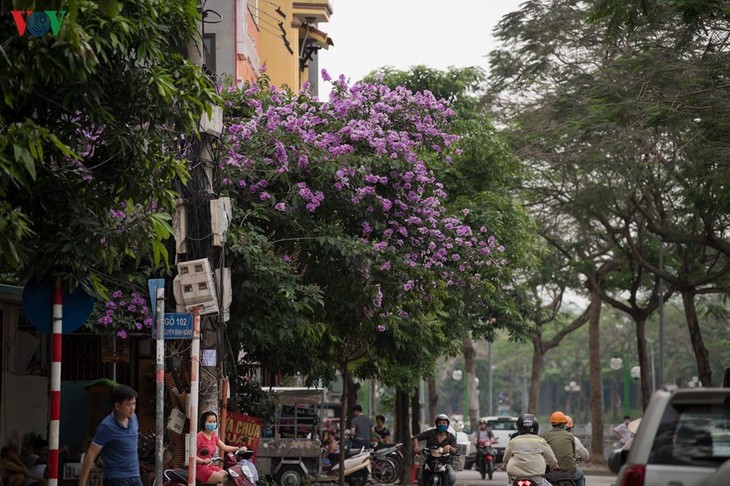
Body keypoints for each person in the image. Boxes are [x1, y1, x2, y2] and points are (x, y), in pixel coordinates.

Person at [79, 385, 142, 486]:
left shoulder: (133, 418)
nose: (132, 408)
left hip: (135, 476)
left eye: (134, 404)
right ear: (117, 406)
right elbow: (91, 454)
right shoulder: (107, 426)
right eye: (128, 405)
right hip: (116, 478)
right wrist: (82, 482)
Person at [502, 414, 557, 486]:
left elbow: (506, 457)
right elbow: (551, 458)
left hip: (516, 478)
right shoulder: (541, 441)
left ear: (519, 427)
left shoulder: (514, 441)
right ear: (536, 427)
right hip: (536, 479)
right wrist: (554, 466)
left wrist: (504, 466)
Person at [196, 410, 246, 484]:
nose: (212, 424)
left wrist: (239, 448)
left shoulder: (213, 436)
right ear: (204, 422)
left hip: (210, 466)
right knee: (222, 478)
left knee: (228, 474)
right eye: (210, 422)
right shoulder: (199, 436)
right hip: (200, 468)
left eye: (214, 421)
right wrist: (202, 461)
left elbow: (224, 447)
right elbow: (192, 455)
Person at [412, 414, 458, 486]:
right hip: (429, 461)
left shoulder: (451, 437)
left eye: (444, 423)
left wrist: (450, 447)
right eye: (439, 423)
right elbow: (416, 437)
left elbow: (455, 451)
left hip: (445, 463)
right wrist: (416, 447)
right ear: (436, 424)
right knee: (420, 477)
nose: (441, 425)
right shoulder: (430, 433)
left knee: (452, 477)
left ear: (447, 425)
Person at [543, 411, 585, 486]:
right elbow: (573, 454)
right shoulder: (570, 436)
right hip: (571, 473)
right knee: (581, 475)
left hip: (553, 475)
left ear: (552, 423)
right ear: (563, 424)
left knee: (543, 478)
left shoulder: (545, 436)